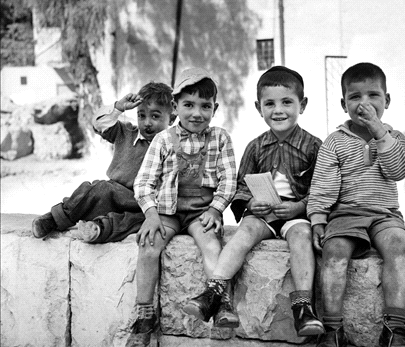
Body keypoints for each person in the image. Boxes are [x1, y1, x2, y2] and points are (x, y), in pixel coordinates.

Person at [184, 66, 324, 337]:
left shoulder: (313, 146)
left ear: (302, 105)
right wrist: (250, 205)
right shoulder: (256, 147)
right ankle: (214, 290)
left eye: (287, 102)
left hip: (297, 213)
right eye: (270, 103)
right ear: (259, 108)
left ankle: (303, 306)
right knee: (245, 231)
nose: (278, 110)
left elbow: (322, 190)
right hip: (263, 212)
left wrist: (299, 207)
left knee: (301, 237)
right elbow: (240, 187)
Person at [308, 62, 405, 347]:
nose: (364, 103)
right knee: (333, 251)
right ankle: (332, 329)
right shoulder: (335, 142)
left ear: (387, 101)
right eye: (355, 97)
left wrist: (380, 133)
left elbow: (398, 170)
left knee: (398, 245)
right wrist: (319, 219)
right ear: (344, 104)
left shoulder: (397, 139)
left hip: (385, 215)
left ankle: (395, 328)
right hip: (346, 214)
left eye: (373, 96)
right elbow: (322, 186)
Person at [127, 68, 237, 347]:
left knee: (212, 244)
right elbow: (143, 182)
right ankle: (145, 314)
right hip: (167, 212)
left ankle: (221, 302)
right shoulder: (164, 140)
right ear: (176, 107)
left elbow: (229, 180)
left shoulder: (220, 138)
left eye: (205, 106)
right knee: (149, 244)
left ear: (215, 108)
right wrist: (151, 215)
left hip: (202, 212)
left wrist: (215, 209)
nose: (197, 113)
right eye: (188, 105)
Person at [31, 82, 174, 243]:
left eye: (155, 116)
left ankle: (97, 229)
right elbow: (99, 124)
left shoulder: (172, 146)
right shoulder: (126, 133)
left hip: (145, 204)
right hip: (114, 193)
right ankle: (57, 218)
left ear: (172, 118)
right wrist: (119, 107)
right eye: (141, 115)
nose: (147, 122)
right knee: (96, 189)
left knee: (136, 221)